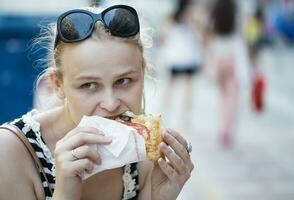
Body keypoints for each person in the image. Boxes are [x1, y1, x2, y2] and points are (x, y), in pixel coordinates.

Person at [0, 5, 194, 200]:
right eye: (89, 85)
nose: (110, 104)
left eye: (123, 81)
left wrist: (157, 197)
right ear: (58, 85)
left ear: (142, 76)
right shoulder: (12, 152)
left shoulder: (142, 154)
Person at [159, 0, 203, 123]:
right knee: (186, 87)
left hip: (176, 57)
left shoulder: (172, 17)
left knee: (171, 86)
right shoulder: (192, 18)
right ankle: (183, 117)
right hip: (187, 57)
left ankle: (166, 114)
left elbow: (163, 37)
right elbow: (200, 38)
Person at [206, 0, 240, 148]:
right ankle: (227, 129)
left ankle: (223, 128)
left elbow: (209, 40)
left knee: (222, 97)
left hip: (219, 61)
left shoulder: (215, 13)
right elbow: (240, 39)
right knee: (231, 97)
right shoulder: (234, 12)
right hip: (231, 60)